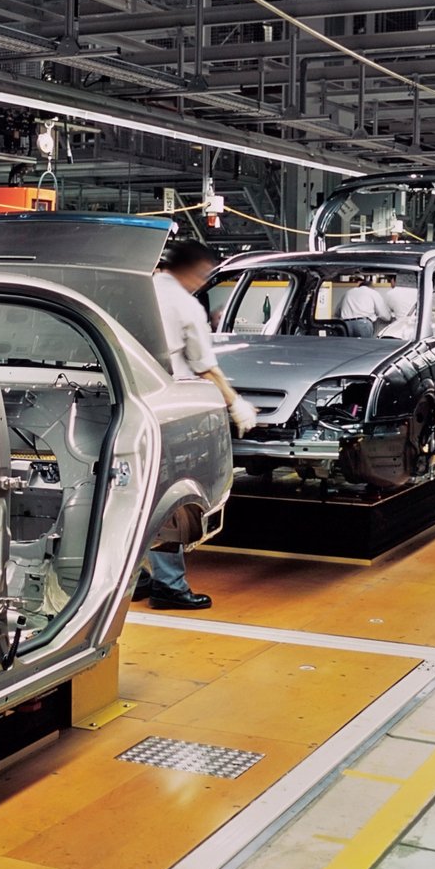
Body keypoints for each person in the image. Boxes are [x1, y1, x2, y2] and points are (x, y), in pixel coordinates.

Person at [139, 241, 255, 611]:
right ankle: (169, 586)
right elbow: (205, 366)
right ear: (193, 269)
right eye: (205, 273)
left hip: (127, 406)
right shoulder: (184, 304)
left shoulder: (139, 288)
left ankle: (135, 577)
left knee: (132, 494)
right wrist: (235, 403)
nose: (204, 281)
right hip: (166, 408)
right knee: (169, 496)